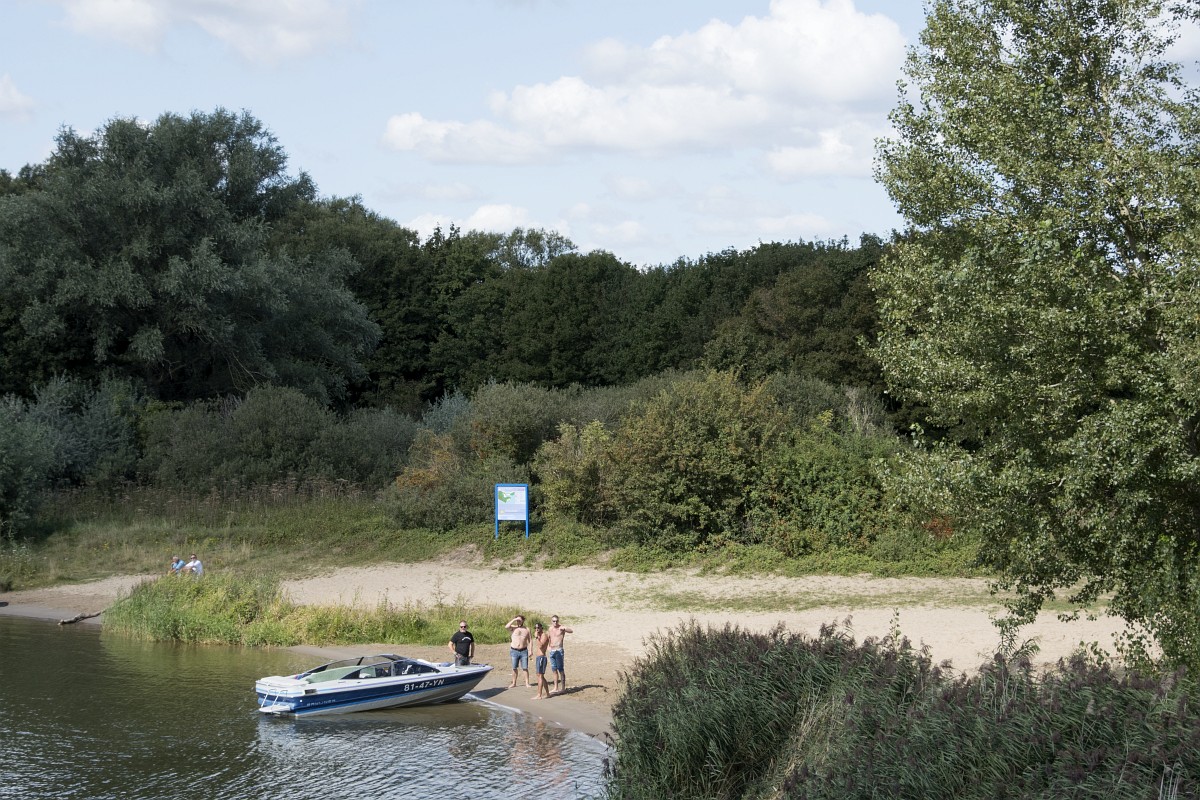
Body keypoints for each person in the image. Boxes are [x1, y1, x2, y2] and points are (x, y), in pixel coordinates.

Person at [547, 614, 573, 694]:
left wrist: (565, 628)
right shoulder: (550, 628)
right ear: (551, 621)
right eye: (553, 621)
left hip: (559, 650)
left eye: (556, 621)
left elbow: (571, 631)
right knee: (554, 669)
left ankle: (563, 688)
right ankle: (556, 687)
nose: (555, 622)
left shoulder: (561, 628)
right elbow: (549, 638)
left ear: (558, 621)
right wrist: (548, 647)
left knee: (560, 669)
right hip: (552, 650)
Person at [505, 615, 532, 688]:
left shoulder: (527, 629)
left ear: (523, 620)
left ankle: (527, 683)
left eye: (519, 620)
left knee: (525, 668)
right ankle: (514, 683)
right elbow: (506, 626)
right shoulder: (513, 627)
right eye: (517, 620)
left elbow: (530, 640)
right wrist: (514, 619)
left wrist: (531, 650)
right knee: (514, 667)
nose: (518, 622)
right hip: (514, 650)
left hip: (523, 650)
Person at [530, 621, 551, 700]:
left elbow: (541, 646)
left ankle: (539, 695)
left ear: (541, 628)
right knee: (540, 676)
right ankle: (548, 693)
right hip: (539, 658)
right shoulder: (540, 636)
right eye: (535, 628)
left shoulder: (544, 635)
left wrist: (537, 637)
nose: (537, 629)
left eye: (538, 627)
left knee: (540, 676)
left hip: (542, 657)